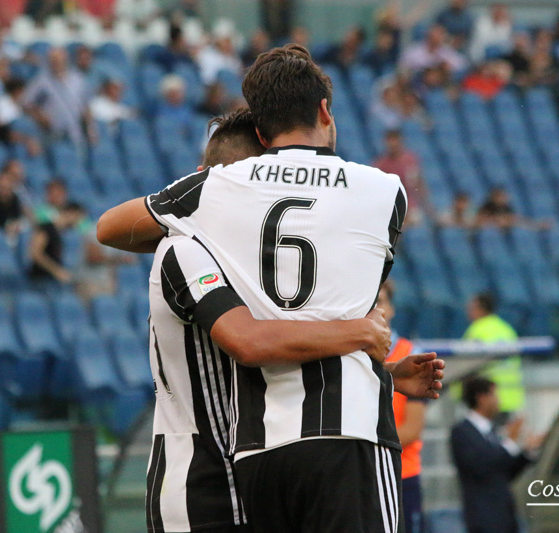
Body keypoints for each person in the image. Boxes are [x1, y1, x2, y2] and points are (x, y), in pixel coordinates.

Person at [97, 44, 446, 532]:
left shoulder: (217, 192)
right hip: (347, 435)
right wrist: (365, 339)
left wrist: (202, 215)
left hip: (257, 451)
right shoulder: (386, 191)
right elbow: (327, 306)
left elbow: (109, 228)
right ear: (325, 110)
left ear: (261, 131)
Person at [146, 108, 394, 533]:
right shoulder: (184, 251)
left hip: (249, 465)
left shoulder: (252, 260)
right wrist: (358, 333)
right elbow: (251, 342)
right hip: (197, 483)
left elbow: (286, 345)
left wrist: (383, 371)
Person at [450, 377, 535, 533]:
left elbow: (504, 472)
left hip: (506, 517)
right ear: (481, 398)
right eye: (494, 395)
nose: (498, 401)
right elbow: (481, 467)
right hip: (483, 519)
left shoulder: (493, 432)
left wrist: (527, 451)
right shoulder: (461, 432)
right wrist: (510, 442)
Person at [379, 282, 427, 533]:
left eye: (381, 302)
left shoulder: (411, 354)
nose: (377, 311)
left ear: (392, 308)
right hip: (362, 474)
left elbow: (412, 429)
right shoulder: (349, 354)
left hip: (402, 474)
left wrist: (364, 445)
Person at [463, 292, 524, 414]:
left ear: (481, 309)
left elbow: (466, 366)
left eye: (471, 308)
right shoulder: (506, 329)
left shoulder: (476, 331)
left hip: (487, 399)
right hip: (511, 398)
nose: (468, 312)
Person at [24, 47, 93, 147]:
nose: (56, 63)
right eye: (53, 60)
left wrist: (90, 128)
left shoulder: (78, 79)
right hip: (52, 134)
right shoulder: (41, 81)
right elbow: (26, 103)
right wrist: (40, 116)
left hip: (75, 134)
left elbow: (86, 106)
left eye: (59, 60)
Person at [373, 130, 427, 226]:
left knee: (417, 222)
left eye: (395, 141)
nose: (393, 145)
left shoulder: (410, 160)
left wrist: (425, 203)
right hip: (390, 206)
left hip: (410, 205)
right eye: (390, 141)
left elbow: (419, 183)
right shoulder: (381, 164)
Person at [28, 201, 85, 290]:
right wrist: (56, 271)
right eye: (78, 218)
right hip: (41, 281)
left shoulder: (60, 233)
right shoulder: (46, 228)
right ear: (71, 213)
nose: (78, 223)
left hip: (51, 281)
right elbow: (35, 253)